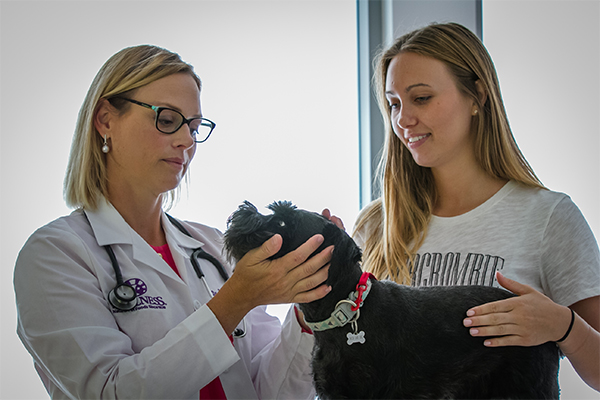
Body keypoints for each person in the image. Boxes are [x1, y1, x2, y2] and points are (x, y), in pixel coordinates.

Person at [14, 45, 333, 399]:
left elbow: (270, 392)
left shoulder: (212, 247)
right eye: (167, 120)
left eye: (194, 128)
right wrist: (234, 301)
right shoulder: (55, 255)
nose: (186, 141)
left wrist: (309, 310)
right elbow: (110, 392)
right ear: (105, 119)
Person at [353, 22, 599, 391]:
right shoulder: (374, 226)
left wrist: (564, 327)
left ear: (477, 96)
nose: (402, 120)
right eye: (393, 104)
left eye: (421, 98)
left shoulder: (549, 219)